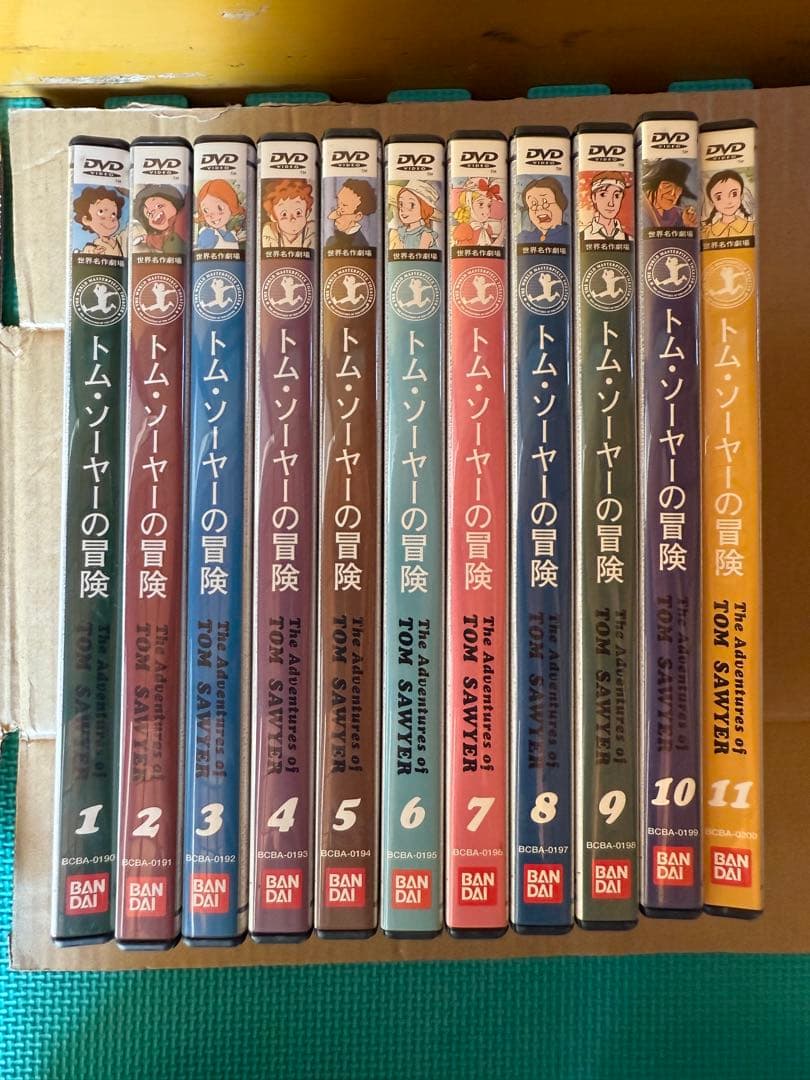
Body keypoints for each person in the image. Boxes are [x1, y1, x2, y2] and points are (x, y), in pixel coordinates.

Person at [641, 159, 697, 228]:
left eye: (678, 189)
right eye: (667, 186)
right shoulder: (642, 210)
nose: (673, 194)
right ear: (654, 185)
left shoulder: (676, 214)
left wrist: (687, 225)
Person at [324, 179, 376, 251]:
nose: (337, 212)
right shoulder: (331, 240)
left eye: (344, 206)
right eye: (338, 205)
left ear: (357, 216)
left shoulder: (360, 245)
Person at [73, 185, 126, 256]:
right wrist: (94, 251)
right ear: (86, 220)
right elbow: (86, 252)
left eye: (113, 214)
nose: (110, 218)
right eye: (101, 212)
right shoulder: (93, 247)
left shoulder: (119, 239)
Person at [131, 185, 186, 254]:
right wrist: (143, 238)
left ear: (172, 201)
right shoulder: (164, 235)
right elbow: (157, 240)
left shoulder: (182, 216)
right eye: (149, 214)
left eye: (159, 206)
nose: (153, 212)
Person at [262, 178, 315, 248]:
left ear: (307, 213)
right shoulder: (270, 230)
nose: (292, 219)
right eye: (284, 214)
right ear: (273, 217)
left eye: (298, 213)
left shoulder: (310, 228)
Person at [388, 179, 440, 249]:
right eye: (401, 204)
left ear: (424, 209)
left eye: (411, 205)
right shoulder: (400, 232)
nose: (403, 209)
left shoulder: (425, 235)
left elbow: (420, 254)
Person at [702, 169, 754, 239]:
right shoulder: (707, 232)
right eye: (719, 197)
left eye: (734, 194)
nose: (728, 202)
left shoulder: (752, 227)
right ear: (712, 202)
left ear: (741, 196)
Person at [580, 172, 631, 241]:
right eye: (603, 195)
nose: (611, 203)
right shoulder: (583, 237)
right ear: (594, 197)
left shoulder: (628, 239)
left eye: (616, 196)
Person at [452, 178, 503, 246]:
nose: (487, 211)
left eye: (489, 205)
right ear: (468, 203)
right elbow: (463, 250)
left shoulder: (487, 228)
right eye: (481, 204)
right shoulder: (464, 229)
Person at [196, 179, 245, 250]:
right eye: (205, 210)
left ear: (231, 204)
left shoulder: (231, 234)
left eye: (220, 208)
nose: (212, 215)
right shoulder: (207, 234)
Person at [517, 176, 569, 243]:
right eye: (533, 204)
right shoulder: (525, 237)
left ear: (560, 203)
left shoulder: (569, 234)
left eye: (545, 201)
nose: (539, 208)